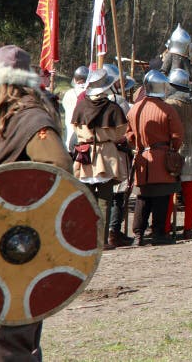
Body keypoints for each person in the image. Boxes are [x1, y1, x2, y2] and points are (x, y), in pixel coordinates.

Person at [0, 45, 72, 361]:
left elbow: (58, 172)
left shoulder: (31, 119)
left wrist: (18, 203)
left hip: (16, 246)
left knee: (7, 338)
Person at [71, 68, 130, 250]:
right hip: (106, 154)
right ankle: (102, 241)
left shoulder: (80, 106)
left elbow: (75, 127)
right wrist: (106, 135)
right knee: (105, 200)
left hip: (86, 154)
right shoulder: (113, 108)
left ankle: (86, 240)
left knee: (87, 200)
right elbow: (120, 131)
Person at [126, 70, 184, 245]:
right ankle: (158, 234)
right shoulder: (167, 109)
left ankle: (138, 235)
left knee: (143, 199)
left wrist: (139, 147)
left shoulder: (134, 109)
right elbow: (177, 136)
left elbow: (129, 137)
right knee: (161, 197)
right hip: (161, 158)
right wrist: (172, 150)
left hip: (142, 158)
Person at [164, 68, 192, 239]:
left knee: (169, 194)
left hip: (175, 153)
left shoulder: (170, 103)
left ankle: (165, 228)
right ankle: (188, 229)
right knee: (189, 194)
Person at [61, 65, 89, 149]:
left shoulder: (68, 93)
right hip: (83, 137)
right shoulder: (90, 94)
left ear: (74, 79)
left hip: (69, 137)